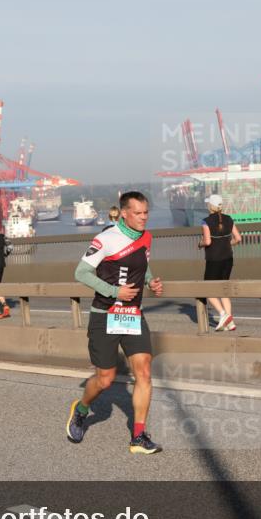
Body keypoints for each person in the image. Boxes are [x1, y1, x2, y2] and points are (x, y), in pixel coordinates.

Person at [66, 191, 165, 454]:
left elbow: (143, 264)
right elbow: (81, 272)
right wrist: (114, 291)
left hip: (132, 315)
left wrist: (150, 281)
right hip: (105, 315)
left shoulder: (146, 237)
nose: (144, 218)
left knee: (143, 371)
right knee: (105, 379)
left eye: (146, 213)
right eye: (138, 213)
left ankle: (139, 436)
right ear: (124, 213)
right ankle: (81, 410)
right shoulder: (106, 239)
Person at [198, 194, 241, 331]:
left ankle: (223, 314)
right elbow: (238, 238)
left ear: (210, 206)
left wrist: (200, 244)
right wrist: (229, 243)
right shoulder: (229, 219)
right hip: (228, 258)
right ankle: (230, 321)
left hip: (214, 259)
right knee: (224, 289)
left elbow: (208, 241)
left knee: (208, 289)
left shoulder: (206, 221)